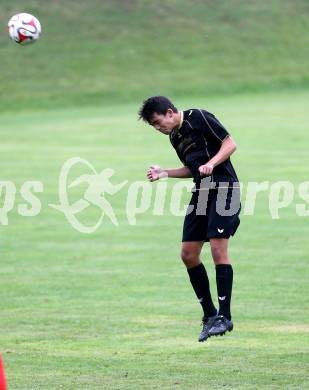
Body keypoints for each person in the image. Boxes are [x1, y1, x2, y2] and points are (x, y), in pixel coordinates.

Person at [138, 96, 241, 342]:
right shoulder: (174, 136)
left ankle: (225, 317)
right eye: (153, 126)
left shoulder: (199, 116)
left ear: (170, 112)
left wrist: (212, 163)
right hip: (203, 192)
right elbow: (192, 169)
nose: (157, 128)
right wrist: (165, 172)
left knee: (218, 248)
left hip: (225, 188)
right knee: (188, 254)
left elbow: (230, 144)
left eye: (157, 122)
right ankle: (209, 316)